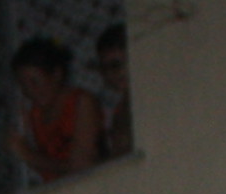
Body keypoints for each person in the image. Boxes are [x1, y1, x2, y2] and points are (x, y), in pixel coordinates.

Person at [8, 36, 104, 184]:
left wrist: (27, 154)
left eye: (35, 82)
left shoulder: (81, 102)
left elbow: (82, 166)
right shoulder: (36, 114)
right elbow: (46, 166)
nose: (29, 91)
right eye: (24, 85)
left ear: (57, 75)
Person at [93, 22, 136, 163]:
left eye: (115, 65)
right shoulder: (113, 108)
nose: (110, 74)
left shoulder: (148, 97)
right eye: (104, 68)